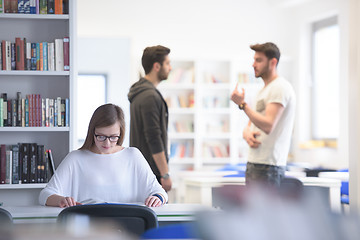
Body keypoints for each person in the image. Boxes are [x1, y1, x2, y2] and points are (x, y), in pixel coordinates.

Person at [39, 103, 167, 208]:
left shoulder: (133, 156)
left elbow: (160, 192)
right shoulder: (75, 158)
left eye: (113, 137)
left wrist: (157, 198)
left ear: (120, 133)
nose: (107, 143)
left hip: (127, 226)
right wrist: (61, 200)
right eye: (101, 136)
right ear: (92, 132)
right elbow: (45, 195)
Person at [231, 42, 296, 187]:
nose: (253, 64)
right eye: (254, 60)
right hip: (256, 162)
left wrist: (242, 105)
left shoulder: (280, 87)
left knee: (266, 210)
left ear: (273, 62)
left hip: (269, 166)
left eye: (258, 60)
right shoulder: (263, 90)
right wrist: (246, 133)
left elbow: (268, 125)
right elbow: (251, 124)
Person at [128, 45, 172, 192]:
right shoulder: (150, 96)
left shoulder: (140, 92)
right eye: (167, 63)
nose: (170, 68)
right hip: (152, 173)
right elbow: (153, 137)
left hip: (141, 170)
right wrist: (165, 174)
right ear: (157, 66)